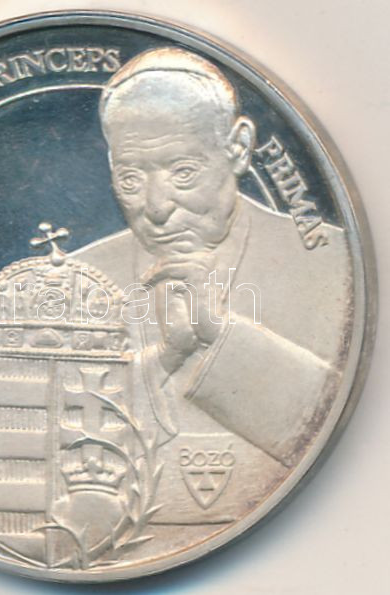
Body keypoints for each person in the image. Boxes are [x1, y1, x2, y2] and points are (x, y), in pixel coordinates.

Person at [73, 47, 350, 520]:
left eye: (183, 172)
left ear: (238, 148)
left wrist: (219, 336)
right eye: (131, 178)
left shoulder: (330, 265)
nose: (157, 207)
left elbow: (345, 422)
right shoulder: (76, 283)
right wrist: (165, 359)